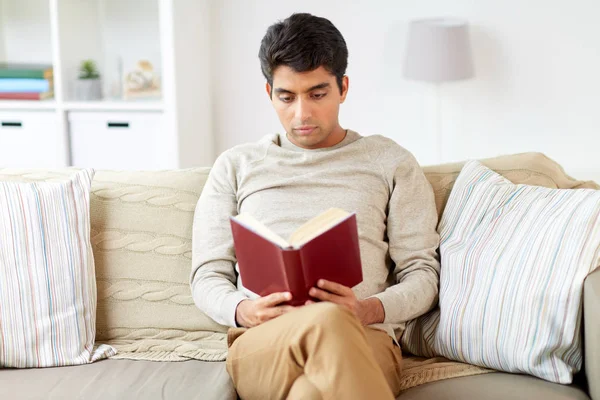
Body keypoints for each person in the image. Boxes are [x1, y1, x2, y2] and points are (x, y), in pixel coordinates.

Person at [191, 12, 440, 400]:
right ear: (269, 93)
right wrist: (243, 311)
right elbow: (206, 276)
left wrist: (368, 309)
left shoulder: (390, 162)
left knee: (309, 392)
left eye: (317, 94)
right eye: (286, 97)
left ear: (343, 87)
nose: (302, 114)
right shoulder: (236, 165)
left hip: (363, 336)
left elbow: (422, 274)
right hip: (265, 342)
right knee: (324, 322)